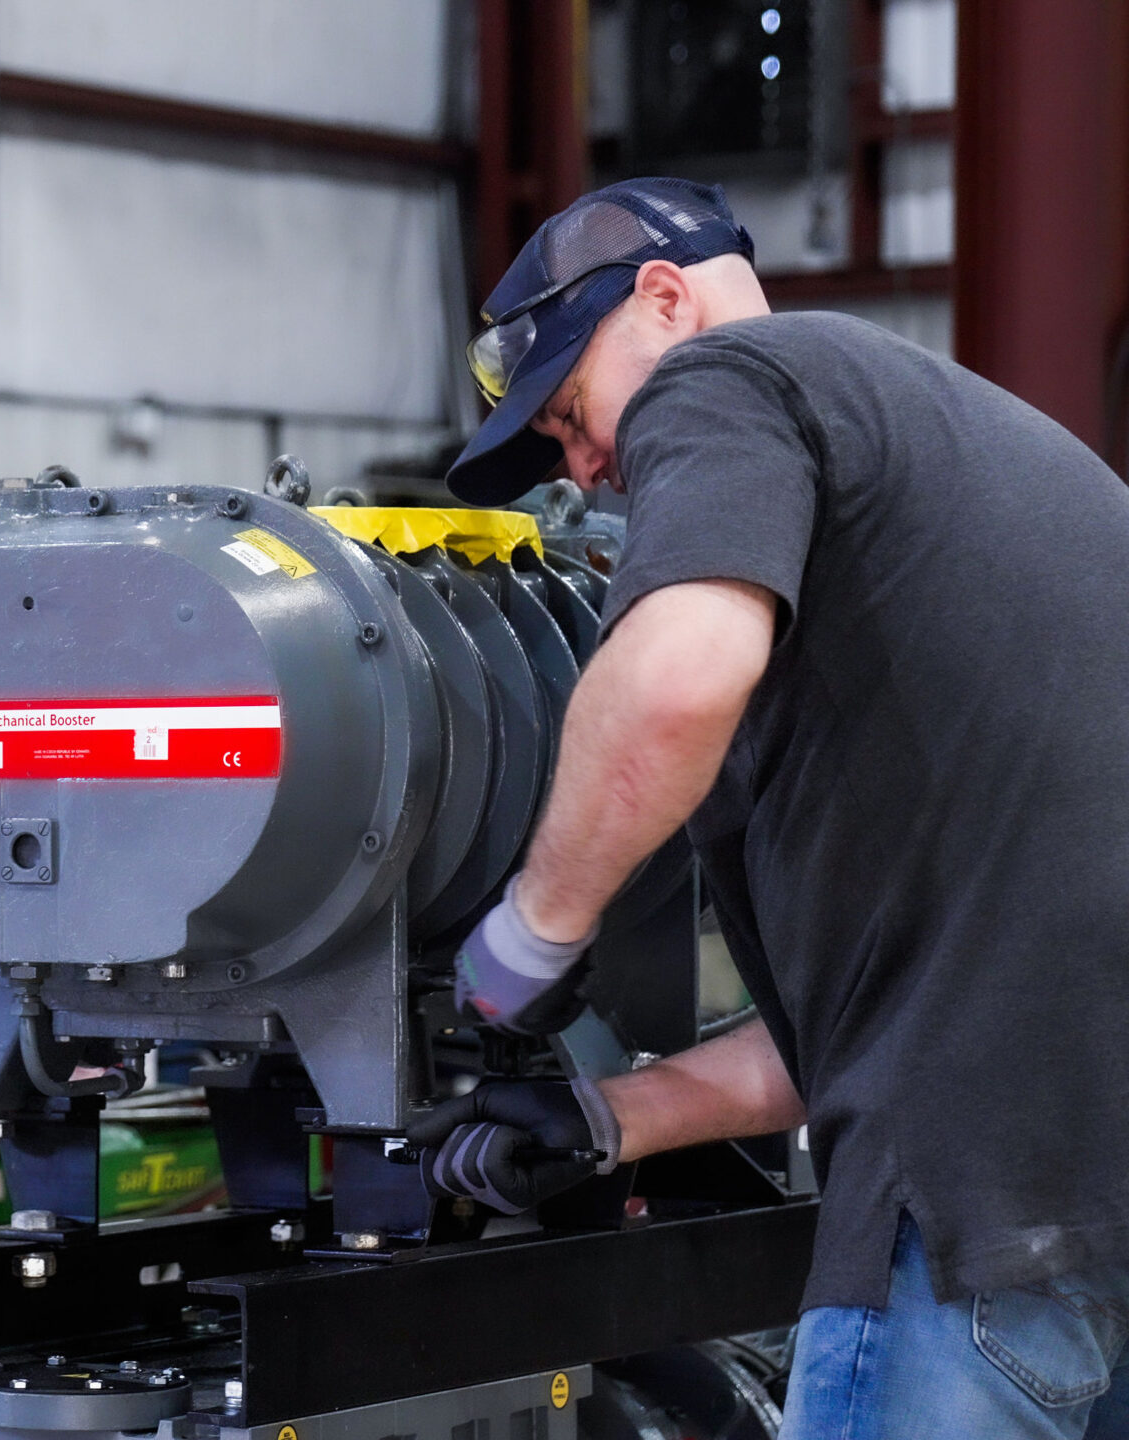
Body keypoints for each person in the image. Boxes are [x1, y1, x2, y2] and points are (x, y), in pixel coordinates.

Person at [407, 177, 1129, 1438]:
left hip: (965, 1233)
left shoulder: (732, 380)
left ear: (666, 300)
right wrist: (609, 1115)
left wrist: (533, 931)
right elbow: (874, 1024)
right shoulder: (952, 464)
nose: (582, 467)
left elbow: (677, 683)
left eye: (572, 412)